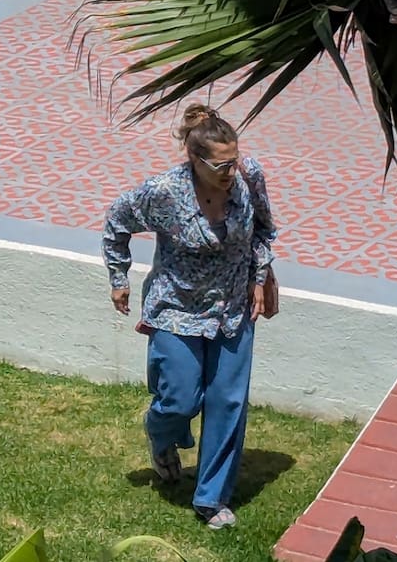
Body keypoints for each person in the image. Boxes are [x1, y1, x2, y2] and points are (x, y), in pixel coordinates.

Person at [102, 104, 279, 530]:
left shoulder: (249, 176)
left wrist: (261, 277)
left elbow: (264, 229)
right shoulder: (164, 192)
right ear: (194, 159)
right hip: (176, 308)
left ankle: (211, 497)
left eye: (233, 161)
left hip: (234, 307)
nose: (230, 172)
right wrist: (118, 277)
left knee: (227, 402)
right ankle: (161, 435)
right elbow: (117, 221)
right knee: (179, 398)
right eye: (220, 165)